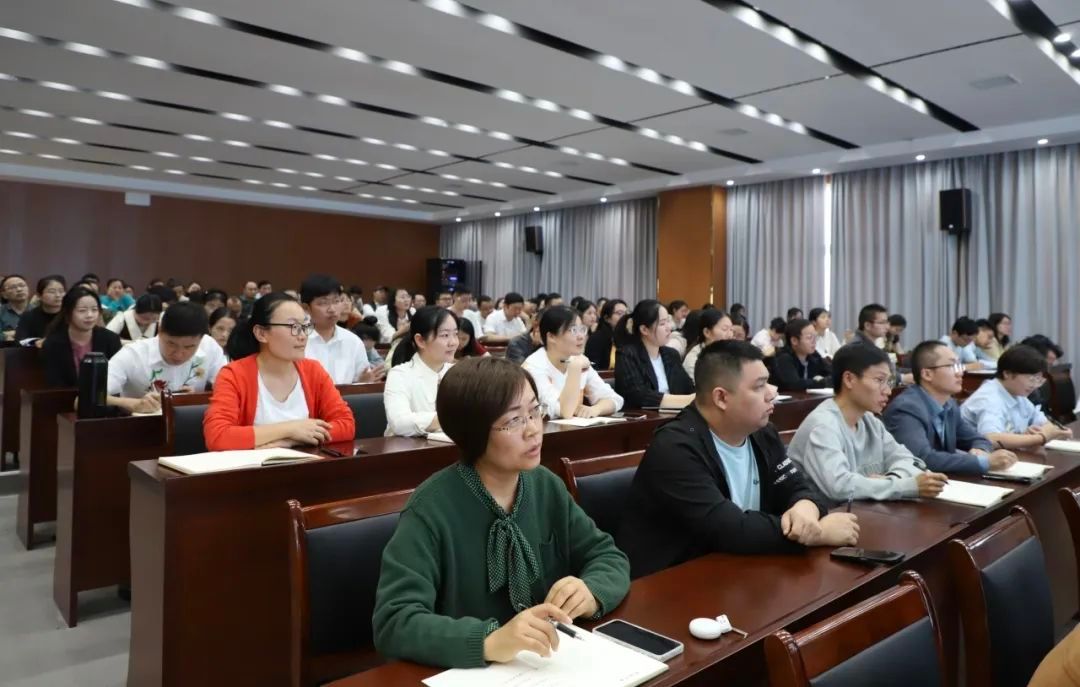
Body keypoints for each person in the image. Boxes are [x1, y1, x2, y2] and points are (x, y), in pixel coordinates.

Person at [372, 357, 630, 668]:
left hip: (548, 661)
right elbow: (395, 621)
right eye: (514, 421)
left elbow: (608, 556)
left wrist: (591, 590)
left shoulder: (544, 485)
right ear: (473, 432)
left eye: (534, 412)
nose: (533, 430)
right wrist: (487, 641)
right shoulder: (430, 508)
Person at [618, 341, 857, 578]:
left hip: (738, 569)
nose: (772, 393)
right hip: (672, 581)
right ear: (721, 398)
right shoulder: (674, 448)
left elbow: (799, 488)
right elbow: (729, 529)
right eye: (760, 386)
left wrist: (806, 509)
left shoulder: (762, 433)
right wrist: (818, 533)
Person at [788, 344, 948, 501]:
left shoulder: (870, 421)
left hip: (864, 512)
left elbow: (912, 462)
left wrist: (890, 480)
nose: (888, 391)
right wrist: (904, 486)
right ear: (849, 379)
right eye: (879, 380)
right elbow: (840, 487)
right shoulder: (823, 426)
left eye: (889, 382)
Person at [203, 293, 355, 451]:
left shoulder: (313, 370)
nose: (303, 336)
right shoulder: (233, 374)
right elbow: (218, 437)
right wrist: (291, 429)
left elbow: (346, 424)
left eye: (305, 326)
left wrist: (291, 441)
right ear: (261, 333)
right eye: (293, 327)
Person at [884, 341, 1016, 475]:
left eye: (959, 365)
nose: (960, 373)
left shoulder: (949, 404)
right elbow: (922, 459)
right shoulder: (906, 408)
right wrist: (983, 462)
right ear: (927, 374)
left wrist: (980, 450)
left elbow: (978, 439)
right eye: (951, 366)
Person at [106, 302, 227, 413]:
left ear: (202, 338)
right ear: (159, 330)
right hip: (141, 425)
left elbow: (229, 391)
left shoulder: (210, 347)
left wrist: (195, 399)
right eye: (171, 344)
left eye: (189, 347)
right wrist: (133, 403)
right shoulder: (133, 354)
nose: (179, 354)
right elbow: (97, 395)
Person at [960, 345, 1073, 449]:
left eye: (1038, 380)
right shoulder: (989, 398)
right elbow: (991, 439)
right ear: (1007, 374)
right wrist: (1040, 437)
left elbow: (1044, 423)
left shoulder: (1018, 394)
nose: (1034, 385)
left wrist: (1047, 431)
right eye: (1031, 379)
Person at [522, 306, 623, 419]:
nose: (581, 336)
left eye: (582, 329)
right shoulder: (533, 367)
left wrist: (595, 409)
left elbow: (615, 399)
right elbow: (564, 411)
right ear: (551, 337)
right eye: (573, 330)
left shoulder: (578, 359)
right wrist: (575, 368)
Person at [384, 307, 458, 436]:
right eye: (445, 335)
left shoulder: (457, 372)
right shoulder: (400, 374)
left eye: (455, 334)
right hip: (406, 447)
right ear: (420, 340)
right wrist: (450, 420)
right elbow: (399, 423)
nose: (453, 342)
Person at [300, 274, 382, 384]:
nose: (332, 309)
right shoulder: (296, 339)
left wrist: (362, 382)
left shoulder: (353, 341)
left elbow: (361, 382)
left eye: (336, 301)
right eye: (323, 303)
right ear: (306, 308)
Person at [613, 300, 695, 410]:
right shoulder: (627, 354)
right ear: (644, 329)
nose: (668, 328)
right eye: (662, 324)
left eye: (668, 321)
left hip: (676, 414)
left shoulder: (671, 354)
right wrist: (687, 400)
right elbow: (639, 395)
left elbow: (688, 387)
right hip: (645, 417)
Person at [41, 286, 123, 387]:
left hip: (104, 395)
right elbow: (53, 383)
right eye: (82, 310)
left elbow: (117, 377)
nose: (89, 315)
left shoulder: (110, 339)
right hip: (64, 396)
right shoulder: (52, 344)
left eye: (94, 310)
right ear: (68, 313)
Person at [846, 303, 903, 386]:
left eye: (887, 322)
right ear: (867, 325)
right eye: (882, 323)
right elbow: (875, 377)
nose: (887, 327)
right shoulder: (857, 348)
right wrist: (902, 378)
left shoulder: (871, 345)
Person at [771, 319, 832, 391]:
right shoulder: (783, 358)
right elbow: (795, 384)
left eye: (815, 337)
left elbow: (833, 373)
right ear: (794, 341)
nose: (814, 341)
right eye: (809, 337)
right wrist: (822, 383)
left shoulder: (814, 355)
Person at [683, 309, 733, 382]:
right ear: (707, 332)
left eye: (731, 330)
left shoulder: (730, 352)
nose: (730, 335)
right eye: (724, 329)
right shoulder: (693, 359)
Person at [15, 275, 65, 342]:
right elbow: (21, 340)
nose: (58, 295)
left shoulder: (70, 315)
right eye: (52, 292)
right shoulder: (29, 316)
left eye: (61, 291)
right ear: (39, 296)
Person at [583, 299, 627, 370]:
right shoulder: (597, 339)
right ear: (607, 318)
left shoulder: (628, 338)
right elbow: (592, 367)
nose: (624, 317)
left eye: (626, 313)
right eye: (619, 313)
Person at [0, 274, 31, 340]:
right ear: (4, 295)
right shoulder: (1, 312)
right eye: (13, 287)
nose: (19, 289)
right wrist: (4, 337)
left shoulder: (39, 311)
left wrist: (12, 333)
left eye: (22, 285)